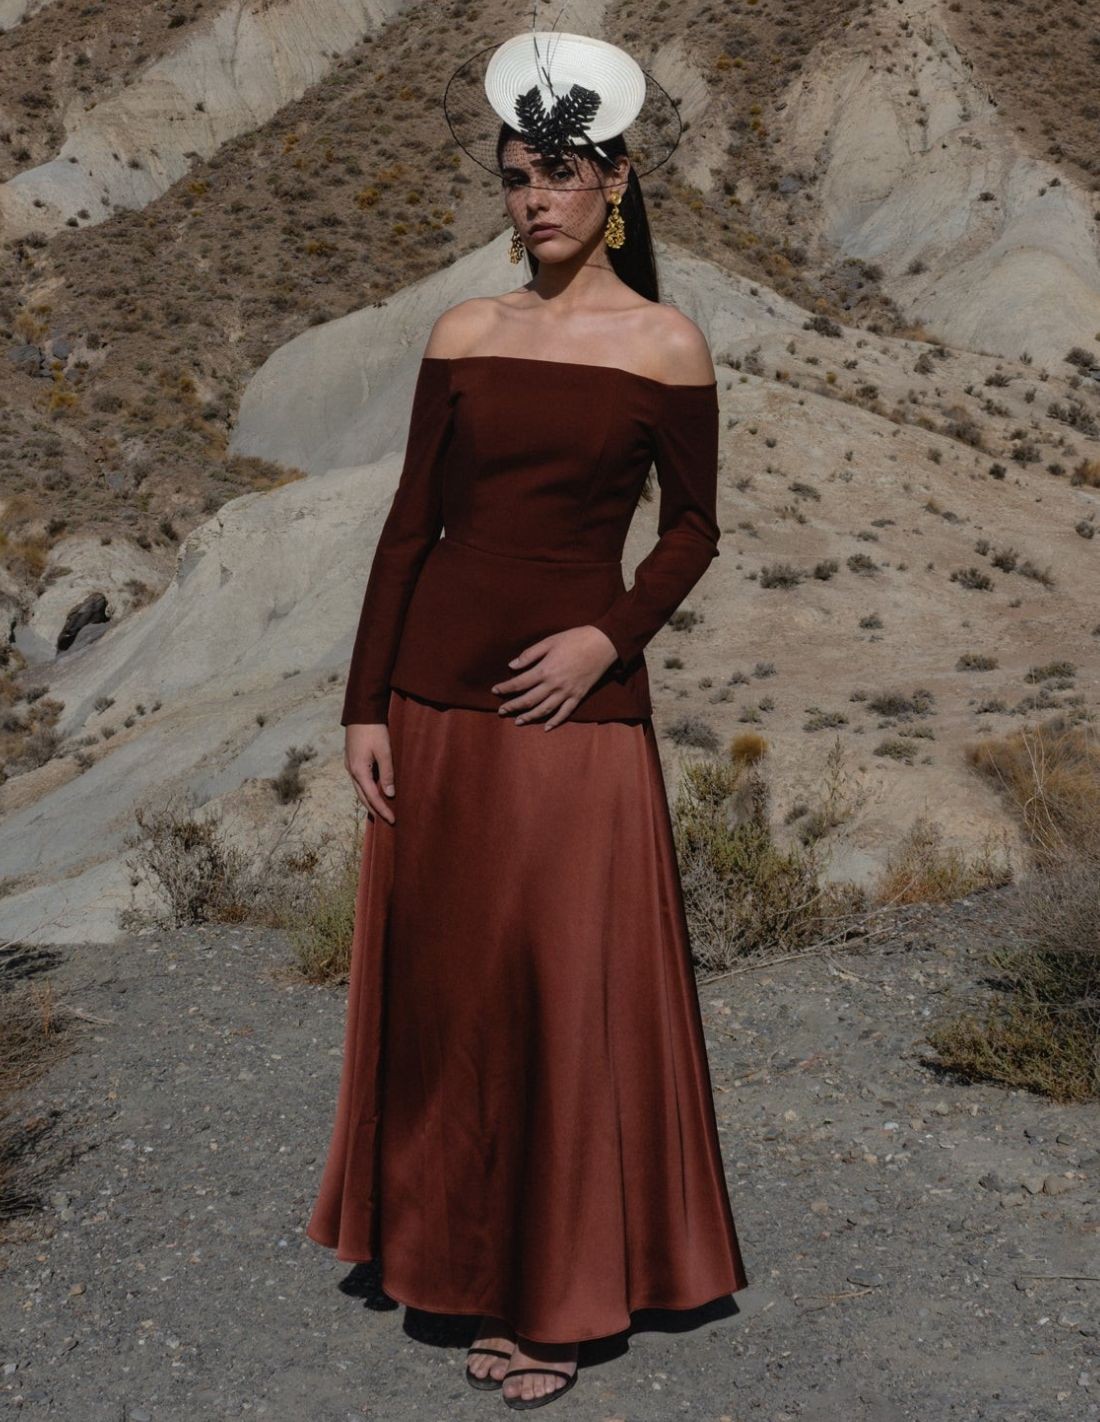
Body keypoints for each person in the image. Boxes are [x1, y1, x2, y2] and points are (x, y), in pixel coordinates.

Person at [305, 22, 750, 1412]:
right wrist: (363, 706)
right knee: (455, 995)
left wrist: (606, 635)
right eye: (516, 176)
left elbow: (694, 530)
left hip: (579, 716)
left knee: (559, 988)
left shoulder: (667, 345)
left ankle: (549, 1294)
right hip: (436, 703)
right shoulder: (467, 331)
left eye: (559, 173)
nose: (535, 198)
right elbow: (407, 528)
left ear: (616, 181)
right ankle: (451, 1261)